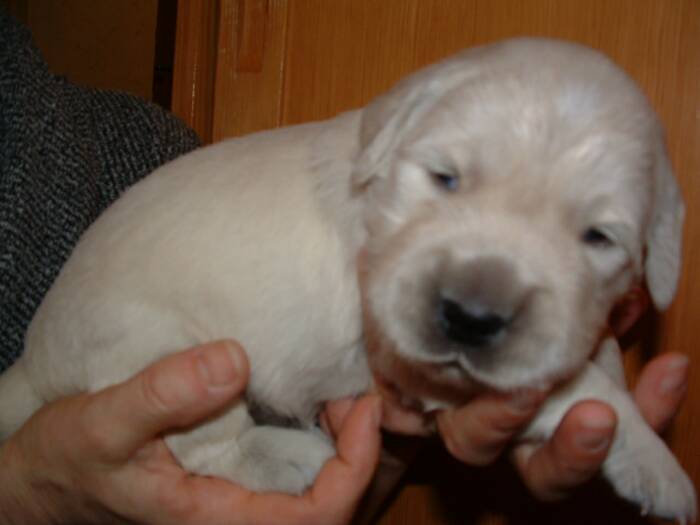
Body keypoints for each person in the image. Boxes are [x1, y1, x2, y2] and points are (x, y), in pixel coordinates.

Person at [0, 8, 689, 525]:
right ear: (393, 128)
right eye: (446, 179)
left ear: (655, 252)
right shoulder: (371, 172)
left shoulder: (122, 140)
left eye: (598, 235)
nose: (481, 299)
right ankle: (220, 453)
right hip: (117, 329)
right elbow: (428, 375)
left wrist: (588, 359)